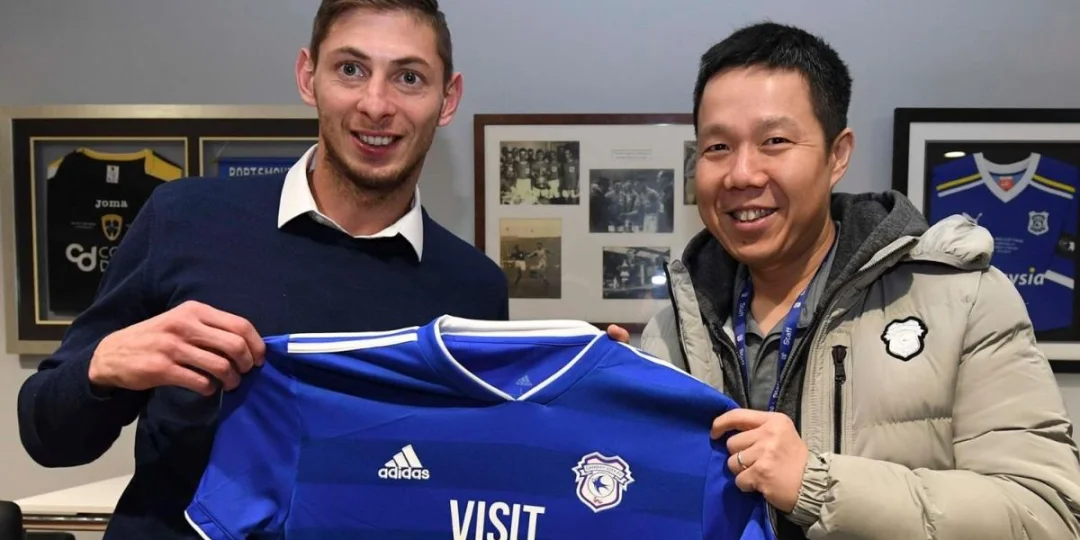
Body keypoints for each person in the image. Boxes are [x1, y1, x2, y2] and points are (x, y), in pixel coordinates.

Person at [16, 1, 508, 538]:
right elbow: (47, 438)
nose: (375, 104)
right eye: (350, 69)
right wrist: (101, 367)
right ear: (307, 76)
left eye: (409, 77)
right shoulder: (184, 219)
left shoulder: (475, 290)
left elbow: (470, 480)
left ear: (447, 98)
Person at [610, 21, 1080, 539]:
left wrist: (816, 484)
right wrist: (604, 410)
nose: (741, 174)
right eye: (717, 147)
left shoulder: (962, 300)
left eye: (774, 141)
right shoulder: (671, 330)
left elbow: (1048, 516)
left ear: (837, 155)